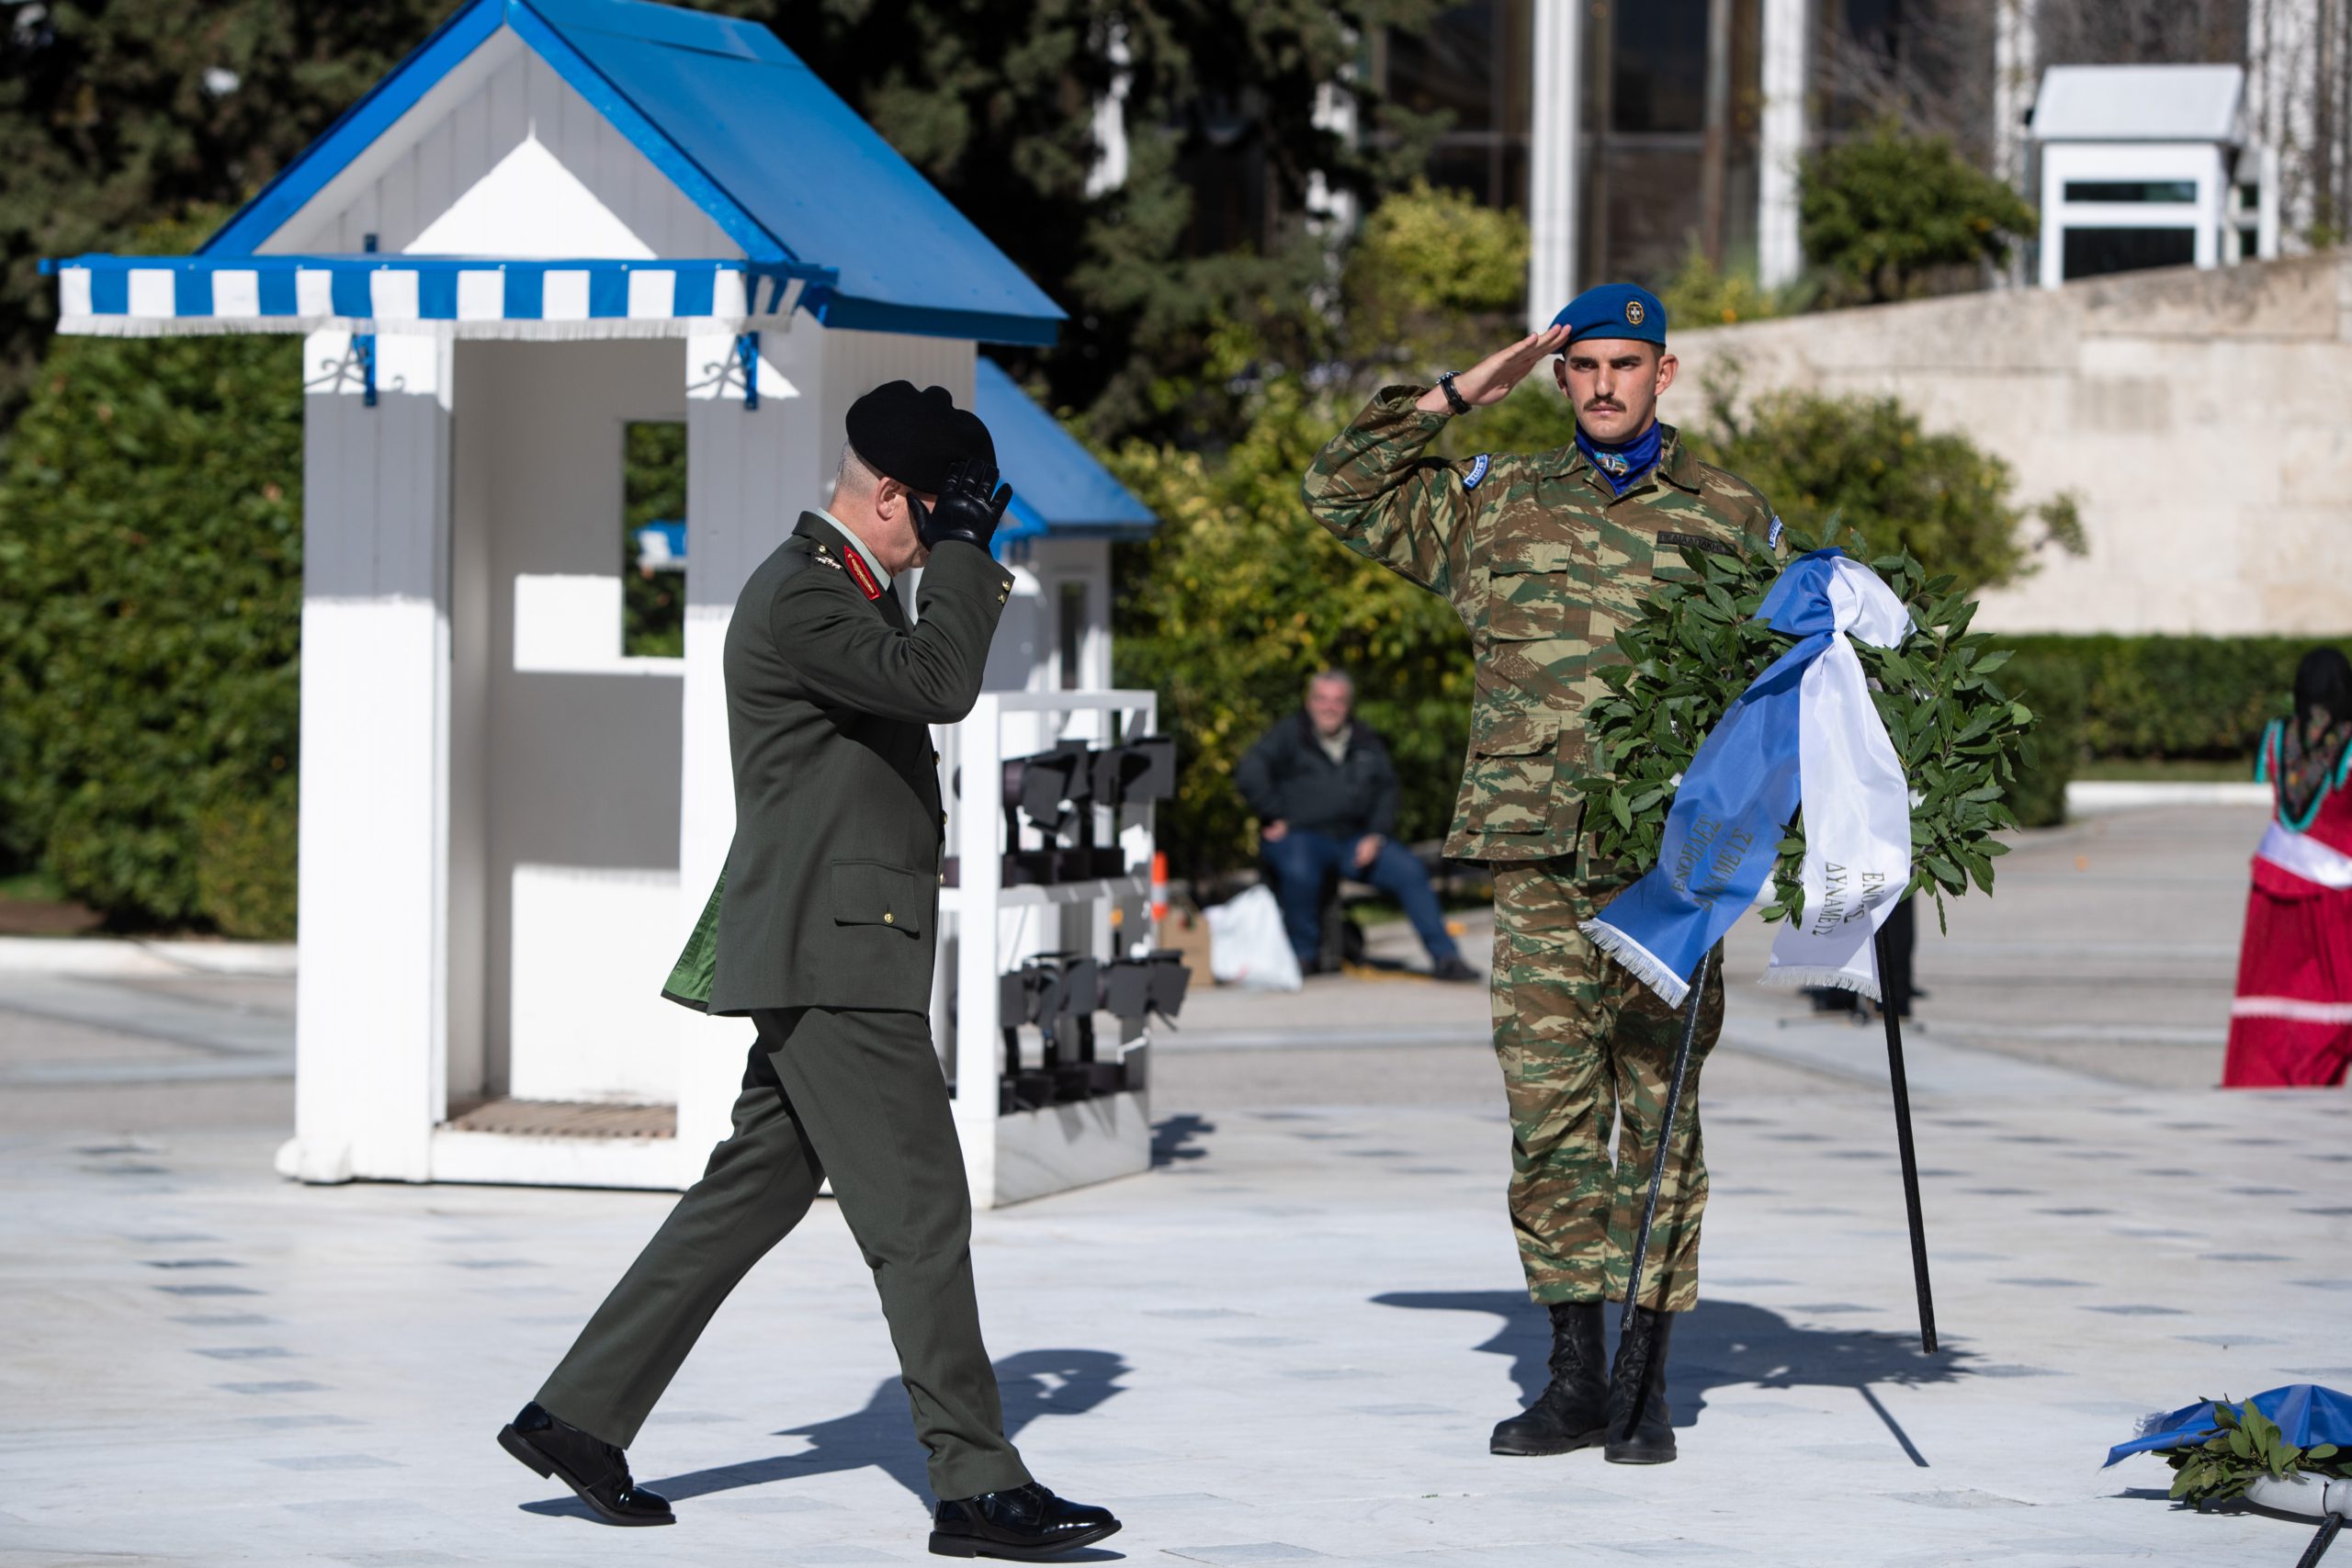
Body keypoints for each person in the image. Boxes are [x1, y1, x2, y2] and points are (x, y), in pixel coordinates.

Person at [497, 381, 1121, 1562]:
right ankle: (976, 1484)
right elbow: (941, 685)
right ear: (888, 496)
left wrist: (949, 553)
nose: (948, 533)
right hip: (838, 956)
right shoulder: (803, 594)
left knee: (754, 1190)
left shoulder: (848, 590)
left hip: (837, 943)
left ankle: (575, 1415)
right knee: (921, 1211)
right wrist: (967, 557)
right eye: (937, 512)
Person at [1302, 285, 1781, 1465]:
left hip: (1669, 874)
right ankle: (1574, 1377)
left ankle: (1645, 1381)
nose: (1605, 384)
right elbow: (1339, 488)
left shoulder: (1727, 515)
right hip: (1534, 865)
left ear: (1664, 373)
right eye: (1585, 366)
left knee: (1658, 1119)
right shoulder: (1498, 502)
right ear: (1560, 377)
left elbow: (1786, 685)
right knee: (1550, 1120)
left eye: (1626, 363)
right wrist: (1461, 391)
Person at [1236, 670, 1480, 981]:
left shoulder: (1365, 740)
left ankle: (1445, 957)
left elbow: (1387, 789)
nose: (1329, 707)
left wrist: (1377, 834)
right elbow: (1249, 772)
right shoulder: (1288, 735)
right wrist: (1274, 813)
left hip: (1353, 840)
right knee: (1299, 870)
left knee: (1409, 870)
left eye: (1337, 701)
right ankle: (1303, 956)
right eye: (1322, 699)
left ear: (1348, 705)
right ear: (1309, 702)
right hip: (1301, 837)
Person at [2223, 647, 2352, 1088]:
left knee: (2276, 999)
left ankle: (2270, 1082)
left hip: (2272, 887)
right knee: (2333, 1001)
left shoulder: (2278, 735)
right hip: (2335, 894)